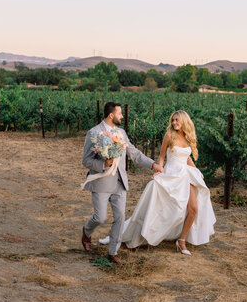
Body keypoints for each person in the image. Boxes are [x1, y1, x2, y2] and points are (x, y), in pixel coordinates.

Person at [102, 110, 216, 255]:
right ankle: (144, 234)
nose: (174, 122)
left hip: (186, 175)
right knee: (165, 209)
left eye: (177, 120)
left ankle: (181, 240)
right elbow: (161, 157)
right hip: (171, 175)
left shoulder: (187, 137)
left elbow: (187, 158)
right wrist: (159, 169)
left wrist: (197, 171)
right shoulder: (169, 135)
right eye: (173, 120)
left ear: (184, 121)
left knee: (193, 209)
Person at [82, 102, 163, 264]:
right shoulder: (94, 133)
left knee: (120, 217)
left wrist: (153, 165)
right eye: (119, 113)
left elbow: (134, 153)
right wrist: (104, 164)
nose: (122, 116)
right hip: (102, 182)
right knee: (100, 217)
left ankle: (113, 252)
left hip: (120, 183)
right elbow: (86, 160)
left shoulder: (121, 132)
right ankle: (86, 231)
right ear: (111, 115)